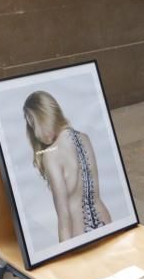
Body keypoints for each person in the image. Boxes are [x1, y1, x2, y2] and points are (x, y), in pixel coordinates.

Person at [23, 91, 112, 241]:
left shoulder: (51, 155)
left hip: (80, 238)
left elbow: (64, 220)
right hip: (107, 225)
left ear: (42, 117)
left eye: (32, 122)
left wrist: (63, 258)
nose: (33, 131)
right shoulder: (84, 138)